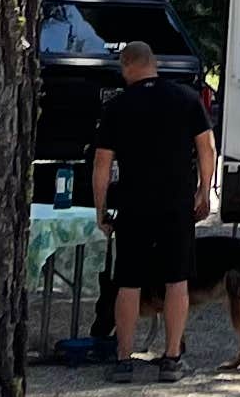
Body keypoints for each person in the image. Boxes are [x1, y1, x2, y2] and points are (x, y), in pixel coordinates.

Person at [88, 37, 216, 379]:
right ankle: (171, 358)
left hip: (134, 202)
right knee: (177, 281)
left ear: (128, 66)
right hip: (177, 202)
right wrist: (204, 192)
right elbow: (207, 149)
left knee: (129, 282)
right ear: (153, 63)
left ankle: (124, 359)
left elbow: (102, 164)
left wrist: (101, 208)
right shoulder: (187, 99)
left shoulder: (117, 107)